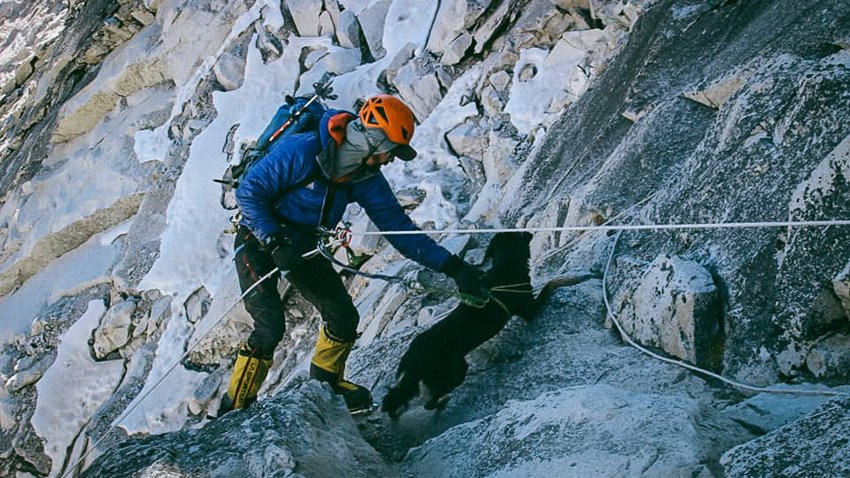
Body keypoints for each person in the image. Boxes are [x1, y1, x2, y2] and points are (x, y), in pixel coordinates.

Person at [218, 94, 488, 415]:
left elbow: (399, 230)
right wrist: (274, 242)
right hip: (258, 237)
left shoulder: (366, 178)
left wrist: (455, 268)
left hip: (301, 243)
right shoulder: (303, 151)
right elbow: (249, 191)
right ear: (372, 142)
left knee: (343, 316)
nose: (390, 160)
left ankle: (326, 384)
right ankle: (234, 409)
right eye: (390, 152)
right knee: (270, 325)